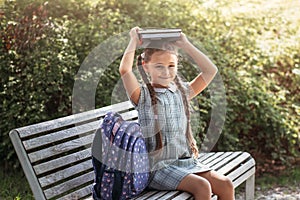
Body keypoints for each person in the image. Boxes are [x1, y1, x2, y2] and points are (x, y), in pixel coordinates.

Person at [119, 27, 234, 200]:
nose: (166, 72)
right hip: (158, 168)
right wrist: (133, 40)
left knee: (225, 184)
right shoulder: (142, 96)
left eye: (171, 66)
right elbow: (125, 71)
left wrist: (186, 44)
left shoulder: (181, 92)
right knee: (202, 186)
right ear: (146, 66)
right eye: (159, 66)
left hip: (186, 163)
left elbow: (211, 71)